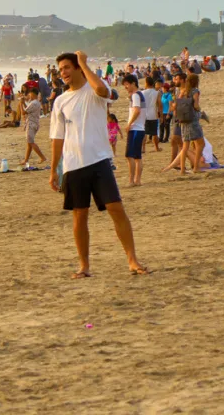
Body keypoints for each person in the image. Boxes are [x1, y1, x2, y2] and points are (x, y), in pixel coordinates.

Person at [49, 51, 147, 278]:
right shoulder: (60, 101)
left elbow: (104, 91)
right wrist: (54, 169)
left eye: (66, 67)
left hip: (100, 160)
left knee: (116, 208)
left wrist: (83, 63)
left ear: (76, 68)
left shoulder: (94, 90)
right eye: (60, 69)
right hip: (73, 164)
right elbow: (57, 137)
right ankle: (84, 266)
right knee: (79, 215)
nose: (62, 72)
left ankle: (132, 260)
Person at [174, 73, 204, 174]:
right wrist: (200, 111)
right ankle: (196, 167)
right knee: (200, 144)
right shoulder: (195, 91)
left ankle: (182, 169)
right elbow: (196, 105)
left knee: (185, 146)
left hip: (183, 120)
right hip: (192, 120)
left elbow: (177, 104)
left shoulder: (182, 91)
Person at [122, 74, 146, 186]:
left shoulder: (136, 95)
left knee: (130, 155)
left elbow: (137, 111)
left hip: (136, 128)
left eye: (127, 84)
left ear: (133, 83)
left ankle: (132, 181)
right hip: (140, 128)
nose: (125, 87)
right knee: (137, 156)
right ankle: (138, 180)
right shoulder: (139, 94)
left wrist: (129, 124)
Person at [22, 88, 46, 165]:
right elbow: (28, 109)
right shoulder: (37, 102)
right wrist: (23, 103)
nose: (29, 96)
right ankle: (26, 160)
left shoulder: (34, 103)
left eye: (30, 94)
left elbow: (23, 112)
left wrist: (21, 103)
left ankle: (42, 157)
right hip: (35, 123)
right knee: (29, 143)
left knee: (31, 142)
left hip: (31, 124)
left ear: (33, 94)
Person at [141, 76, 161, 153]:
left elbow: (141, 105)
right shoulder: (157, 93)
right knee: (154, 133)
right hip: (153, 115)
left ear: (146, 83)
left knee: (144, 133)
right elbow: (160, 105)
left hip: (145, 115)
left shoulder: (142, 93)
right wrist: (161, 115)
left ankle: (143, 148)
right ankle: (156, 147)